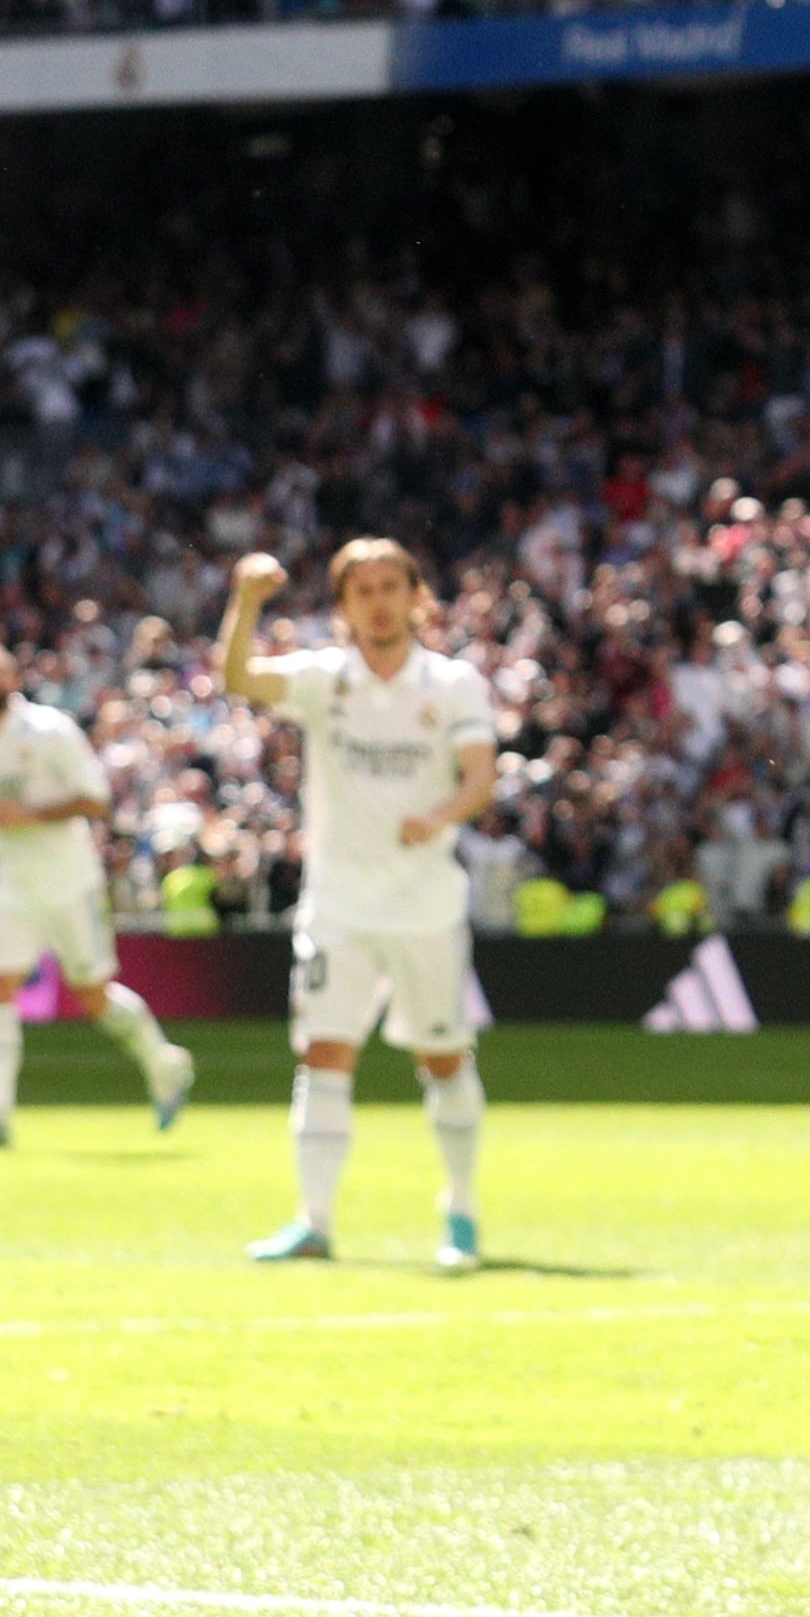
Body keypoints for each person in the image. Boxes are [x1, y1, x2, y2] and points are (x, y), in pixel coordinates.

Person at [216, 541, 500, 1273]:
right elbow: (238, 676)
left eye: (390, 587)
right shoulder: (323, 679)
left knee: (441, 1057)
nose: (378, 602)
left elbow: (479, 779)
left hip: (424, 905)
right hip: (337, 905)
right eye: (362, 590)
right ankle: (314, 1222)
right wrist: (247, 602)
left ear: (415, 596)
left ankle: (460, 1212)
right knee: (324, 1052)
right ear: (343, 606)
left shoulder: (453, 682)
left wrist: (436, 817)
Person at [0, 638, 192, 1145]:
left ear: (14, 678)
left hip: (71, 879)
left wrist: (33, 815)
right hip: (15, 882)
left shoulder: (50, 730)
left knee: (93, 998)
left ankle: (164, 1064)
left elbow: (97, 801)